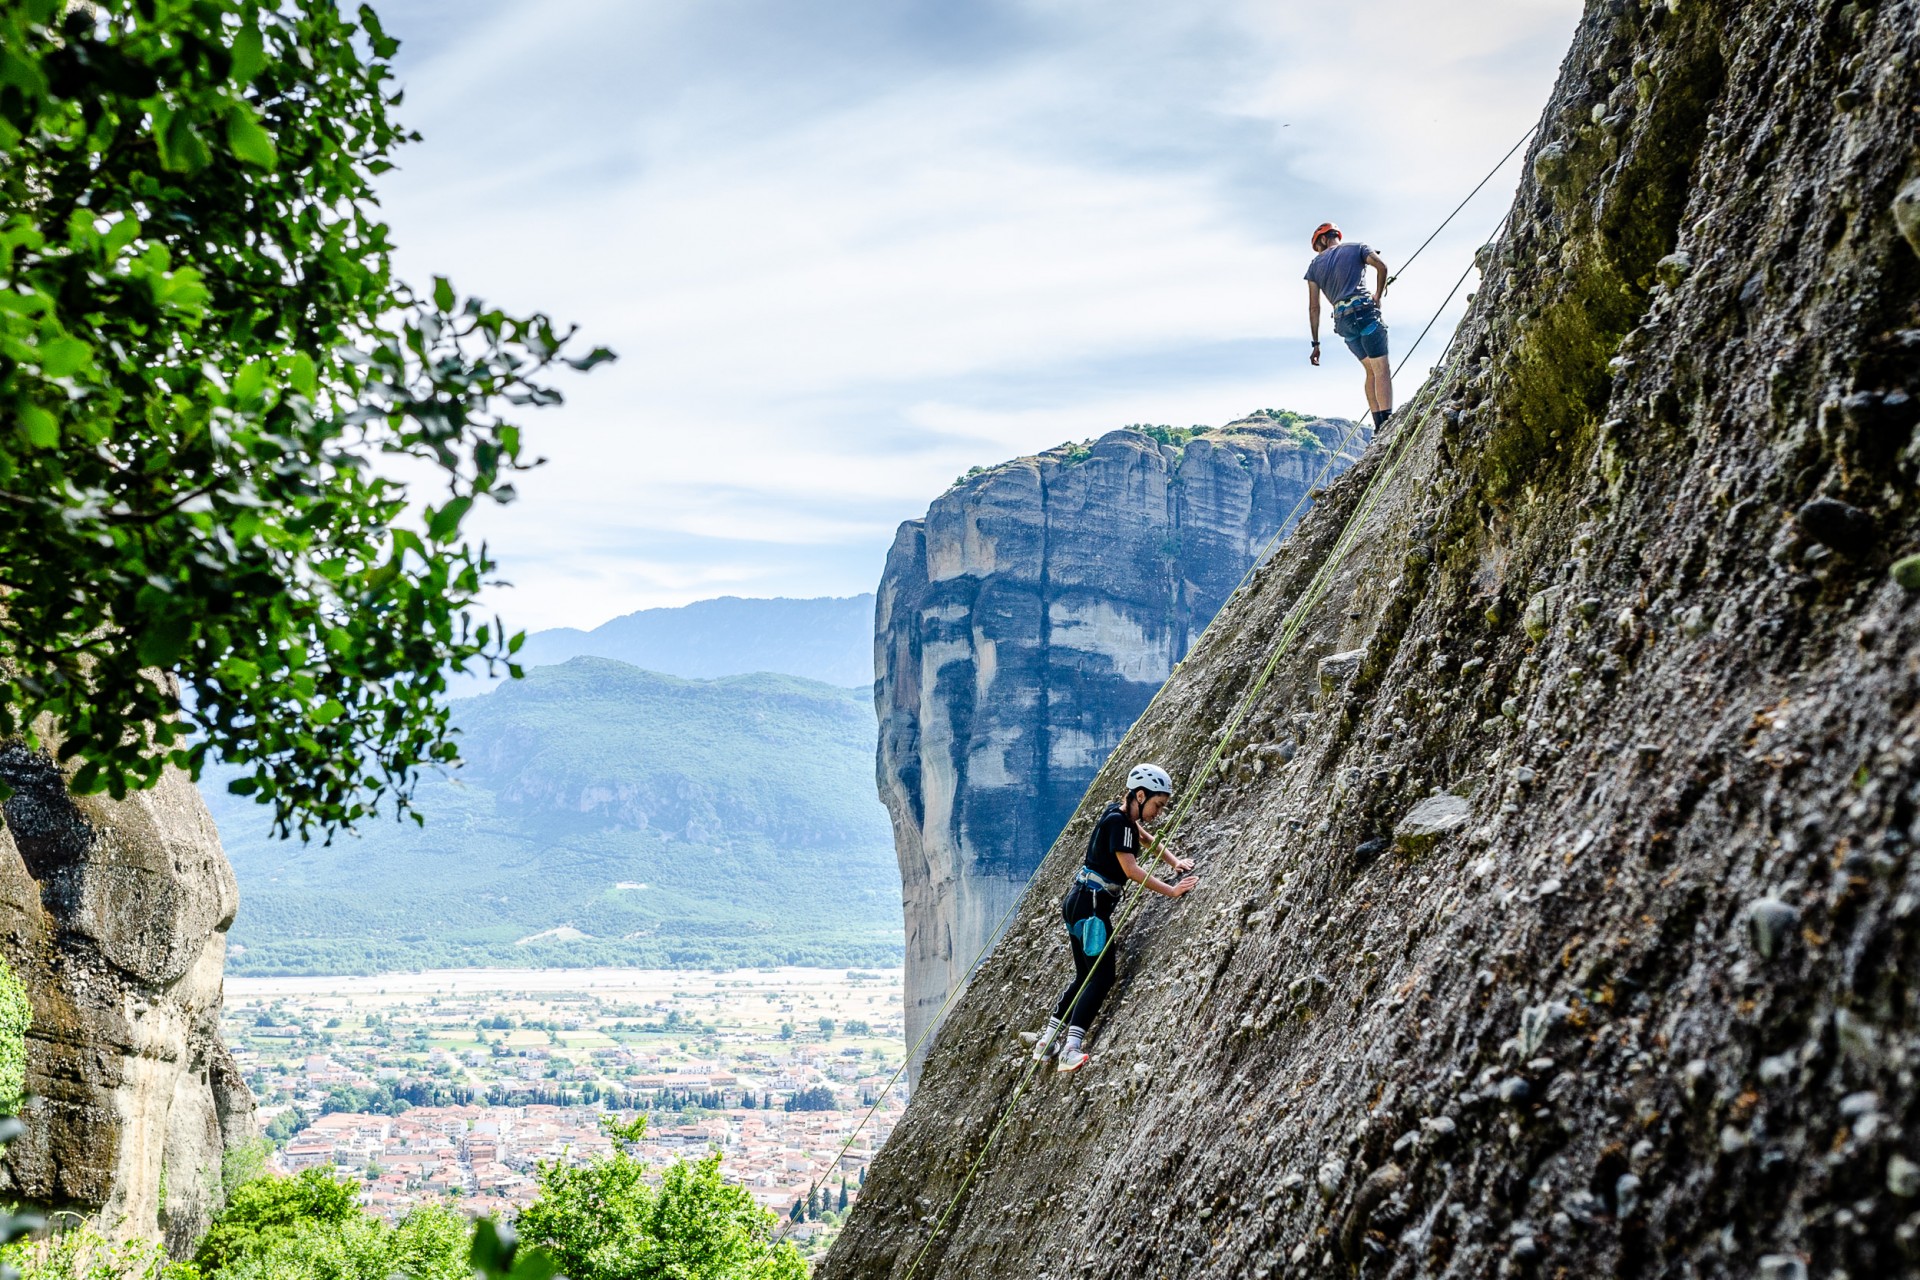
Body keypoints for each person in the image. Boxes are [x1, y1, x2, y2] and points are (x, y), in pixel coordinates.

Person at [1029, 763, 1196, 1074]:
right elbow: (1131, 870)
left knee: (1084, 975)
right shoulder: (1121, 824)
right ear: (1141, 795)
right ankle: (1070, 1049)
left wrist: (1174, 861)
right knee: (1102, 976)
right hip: (1092, 907)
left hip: (1079, 902)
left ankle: (1047, 1042)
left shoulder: (1118, 816)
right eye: (1157, 805)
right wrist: (1172, 892)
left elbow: (1143, 838)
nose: (1158, 812)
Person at [1304, 222, 1393, 428]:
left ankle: (1379, 424)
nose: (1319, 252)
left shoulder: (1314, 267)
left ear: (1323, 239)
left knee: (1370, 370)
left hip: (1343, 321)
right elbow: (1382, 267)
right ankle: (1388, 423)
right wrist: (1378, 295)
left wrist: (1316, 344)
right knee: (1381, 369)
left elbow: (1314, 308)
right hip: (1364, 312)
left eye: (1317, 248)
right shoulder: (1358, 248)